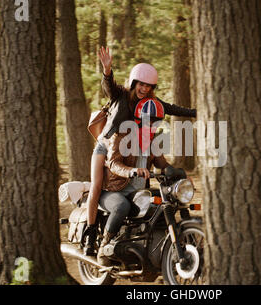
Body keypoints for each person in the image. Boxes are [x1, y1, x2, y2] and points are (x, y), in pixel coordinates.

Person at [82, 46, 196, 256]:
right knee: (97, 186)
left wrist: (198, 111)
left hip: (132, 153)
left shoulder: (150, 105)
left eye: (149, 86)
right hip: (107, 145)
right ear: (134, 83)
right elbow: (109, 86)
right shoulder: (121, 95)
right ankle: (91, 234)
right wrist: (107, 70)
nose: (144, 88)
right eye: (141, 84)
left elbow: (172, 109)